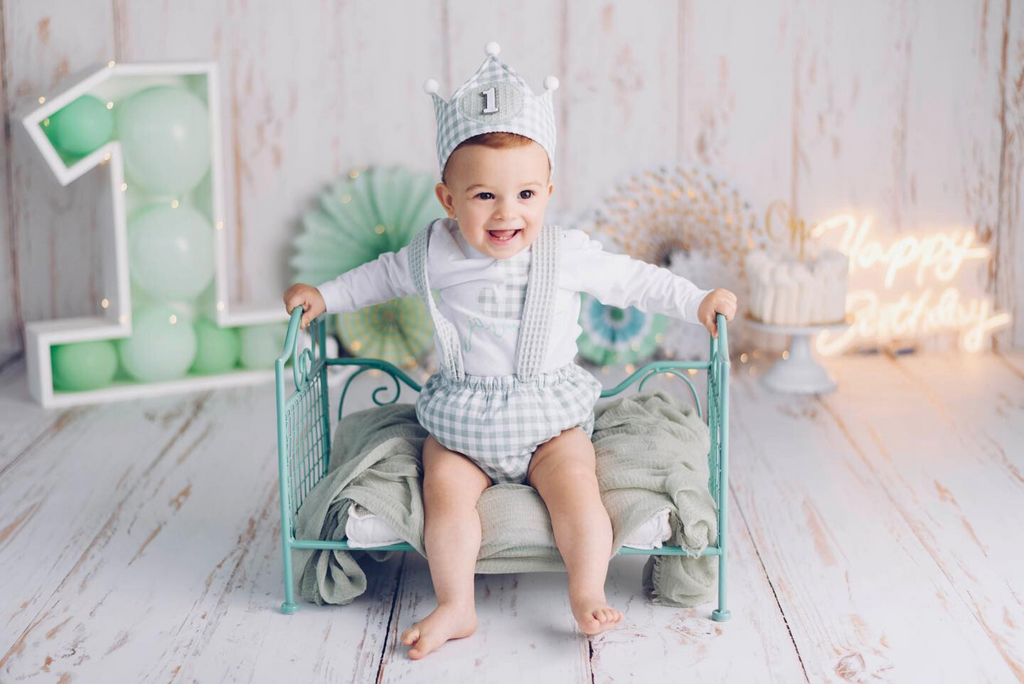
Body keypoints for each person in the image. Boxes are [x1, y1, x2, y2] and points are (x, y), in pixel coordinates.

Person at [284, 41, 737, 660]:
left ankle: (585, 589)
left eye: (525, 195)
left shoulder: (566, 251)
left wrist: (696, 300)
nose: (506, 213)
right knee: (444, 492)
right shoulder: (434, 252)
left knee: (578, 486)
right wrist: (324, 297)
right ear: (449, 200)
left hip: (549, 419)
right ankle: (456, 604)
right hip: (461, 421)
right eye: (483, 197)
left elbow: (636, 280)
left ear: (548, 191)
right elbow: (378, 278)